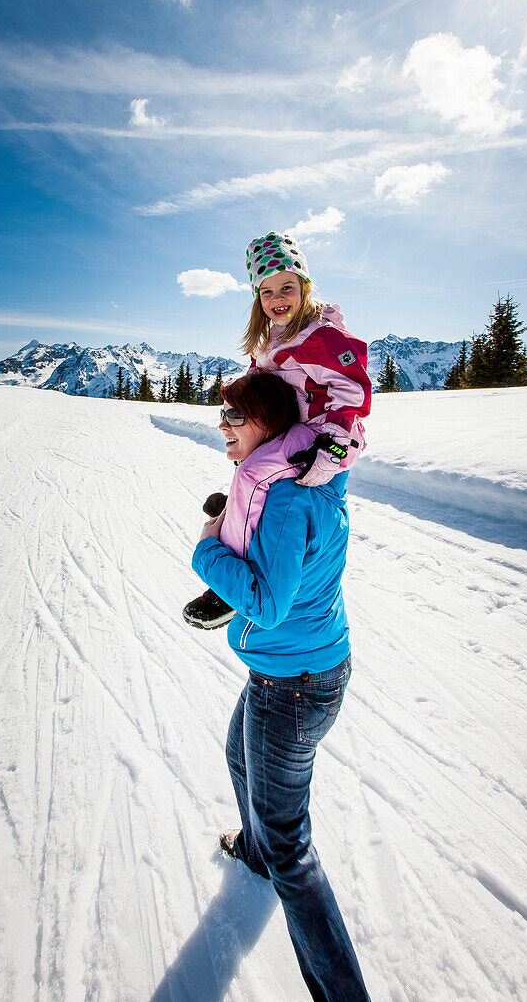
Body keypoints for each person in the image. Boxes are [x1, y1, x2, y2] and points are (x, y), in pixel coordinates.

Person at [191, 369, 371, 1002]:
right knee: (238, 751)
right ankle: (257, 851)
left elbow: (266, 602)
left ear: (268, 421)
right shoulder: (307, 471)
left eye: (235, 417)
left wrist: (206, 553)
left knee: (293, 853)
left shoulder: (286, 496)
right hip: (308, 668)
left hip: (292, 685)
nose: (224, 427)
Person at [184, 231, 372, 629]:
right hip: (288, 430)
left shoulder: (323, 337)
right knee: (247, 465)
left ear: (304, 286)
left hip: (320, 434)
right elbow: (261, 376)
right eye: (266, 292)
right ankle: (237, 538)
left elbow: (352, 395)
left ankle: (233, 578)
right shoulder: (272, 338)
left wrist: (332, 450)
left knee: (254, 473)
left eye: (286, 286)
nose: (277, 298)